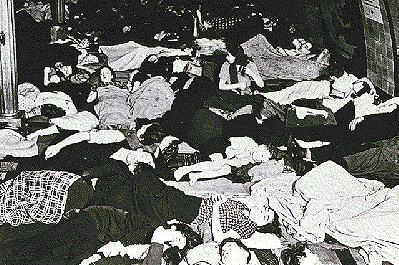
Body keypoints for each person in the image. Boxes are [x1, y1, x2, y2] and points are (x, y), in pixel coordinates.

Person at [0, 205, 202, 265]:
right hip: (95, 224)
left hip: (94, 227)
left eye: (176, 245)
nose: (172, 243)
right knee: (53, 255)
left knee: (43, 245)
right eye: (176, 238)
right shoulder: (155, 228)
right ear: (174, 228)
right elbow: (121, 243)